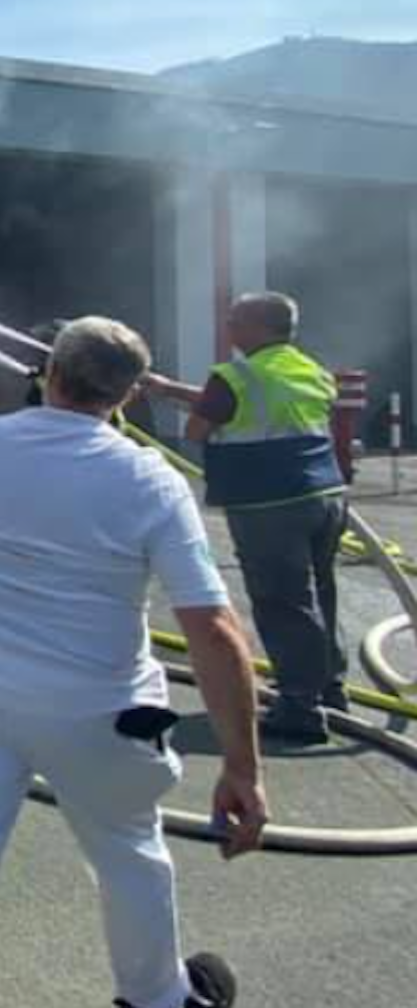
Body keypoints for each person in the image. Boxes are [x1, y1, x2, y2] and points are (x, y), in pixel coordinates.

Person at [0, 317, 266, 1008]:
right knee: (128, 851)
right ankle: (158, 997)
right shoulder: (149, 479)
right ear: (126, 397)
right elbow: (213, 628)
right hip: (96, 711)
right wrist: (243, 768)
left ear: (50, 375)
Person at [146, 292, 349, 744]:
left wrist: (184, 406)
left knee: (283, 602)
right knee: (319, 593)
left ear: (261, 326)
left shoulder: (234, 376)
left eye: (236, 321)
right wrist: (169, 388)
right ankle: (329, 688)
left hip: (268, 505)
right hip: (327, 497)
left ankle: (299, 708)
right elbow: (236, 404)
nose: (229, 328)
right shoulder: (306, 368)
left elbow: (199, 428)